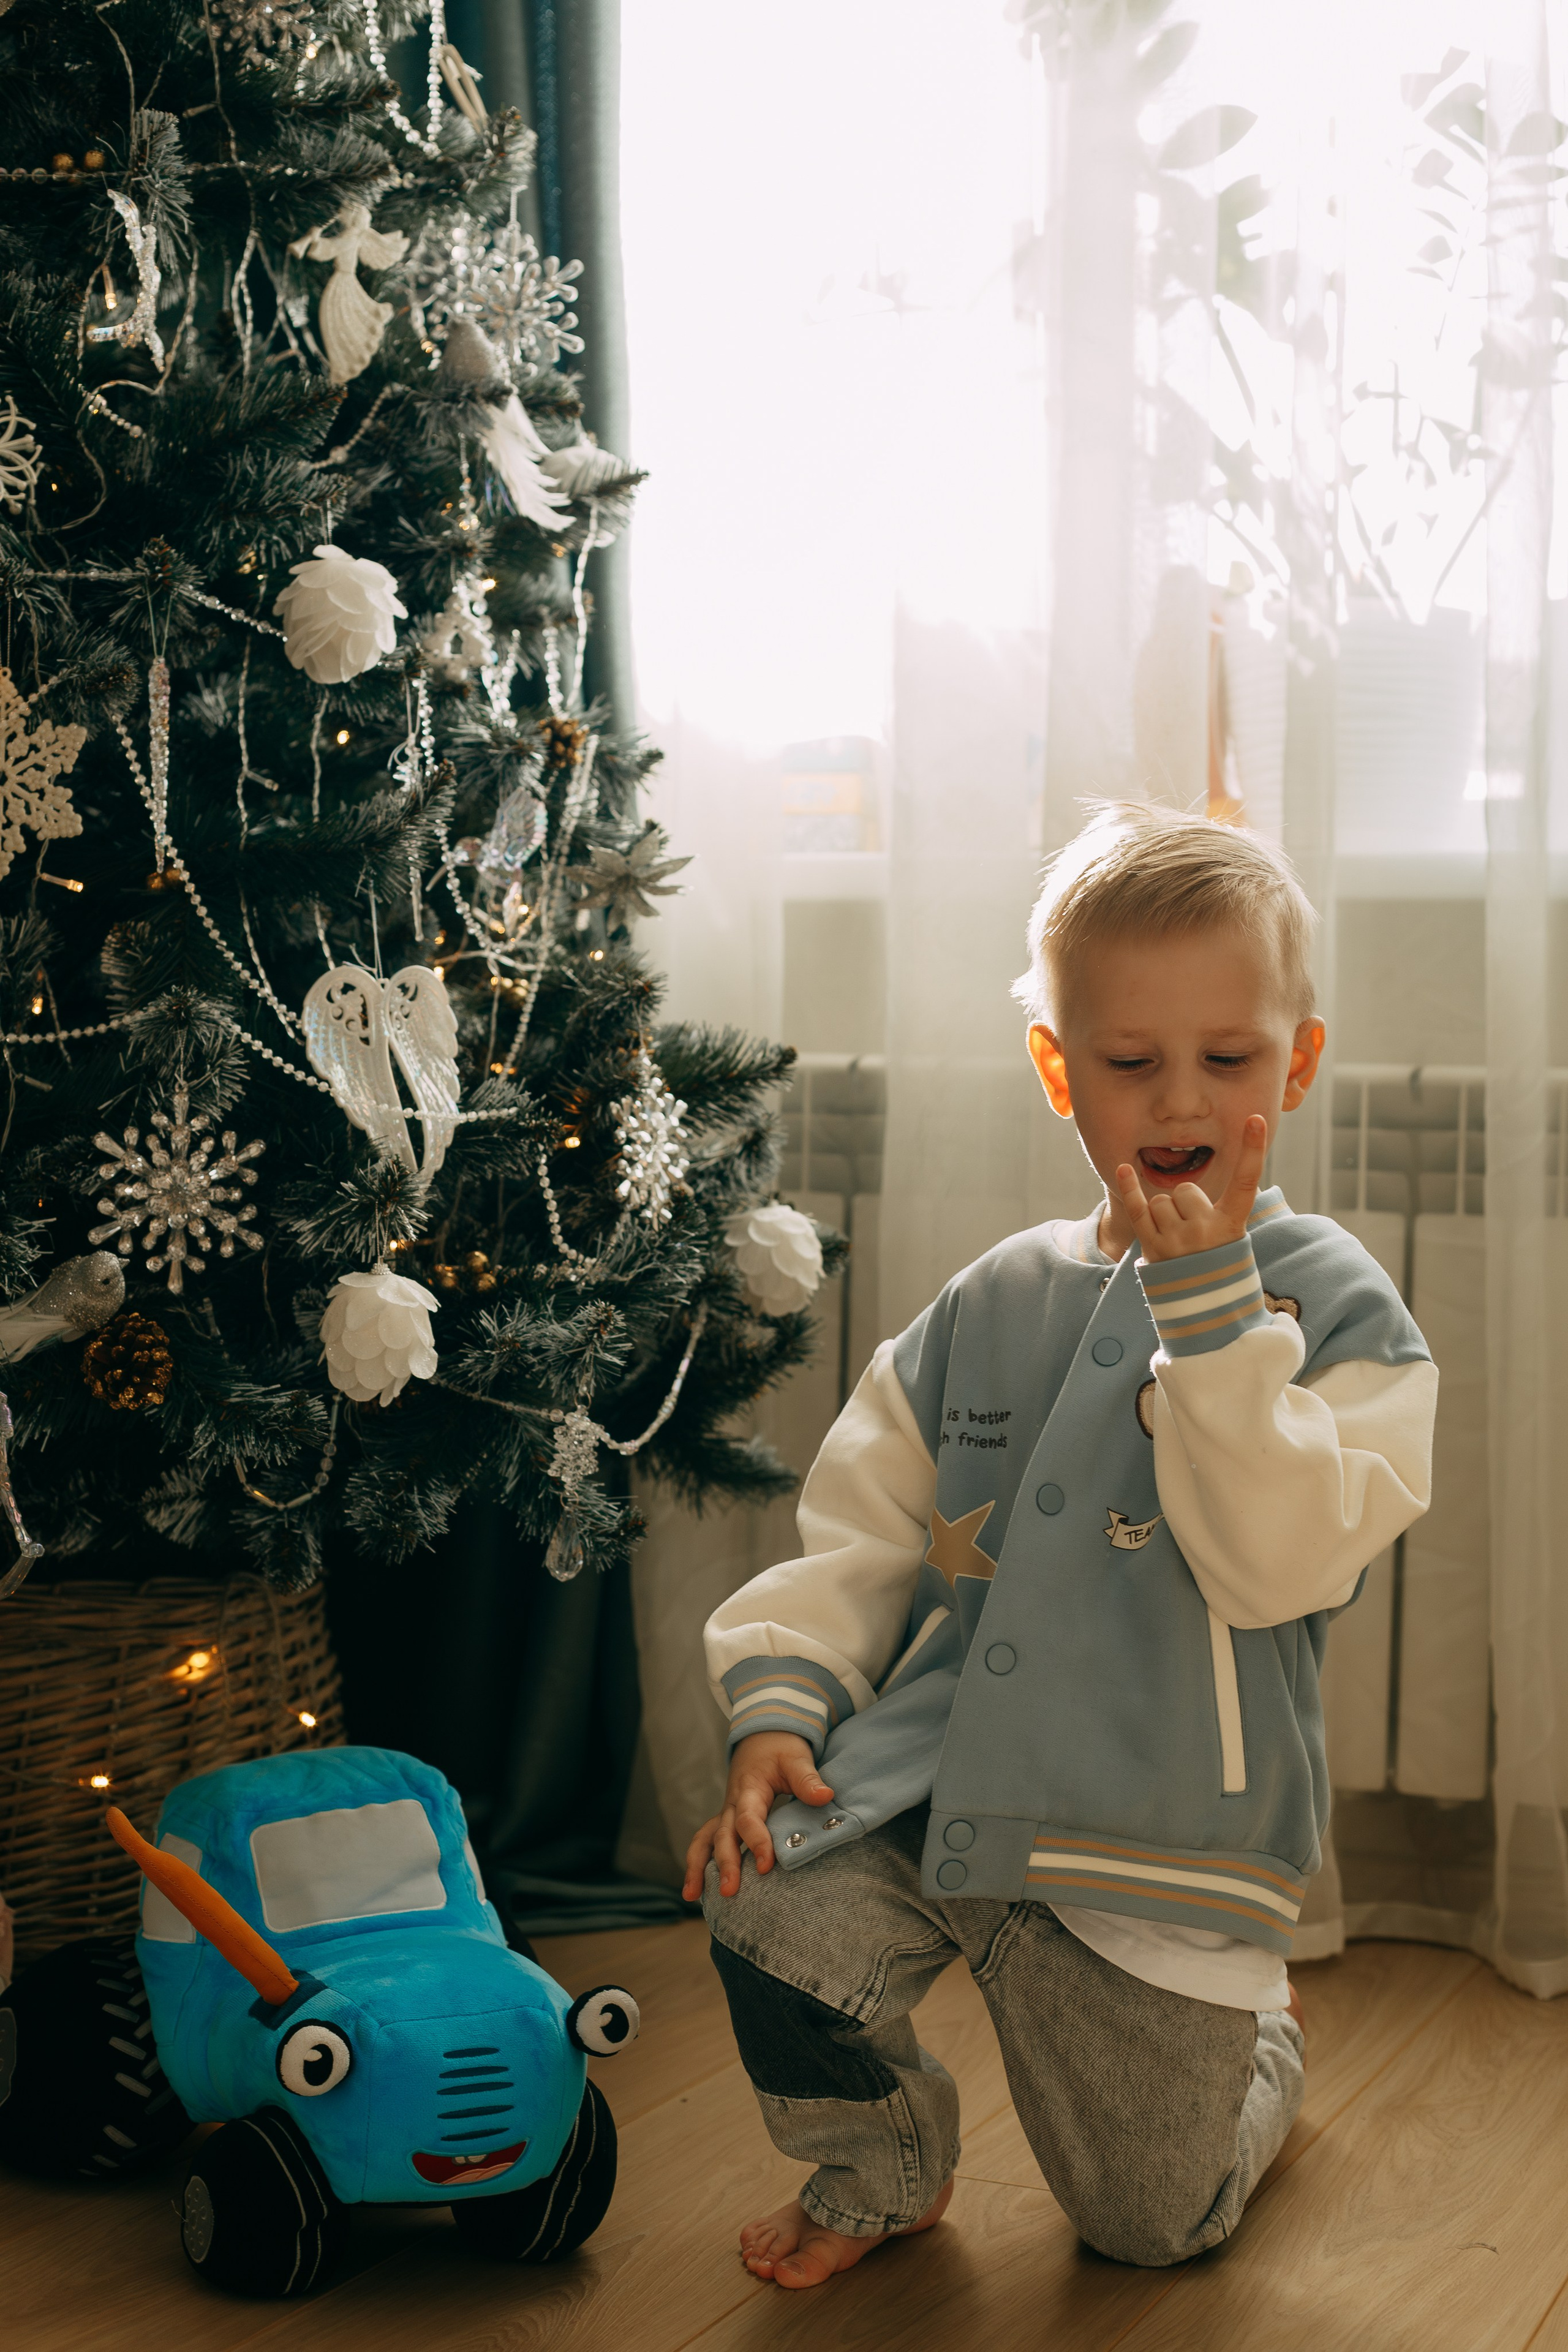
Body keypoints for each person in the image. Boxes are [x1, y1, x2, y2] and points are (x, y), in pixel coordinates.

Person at [683, 802, 1437, 2291]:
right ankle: (883, 2160)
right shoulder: (989, 1301)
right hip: (931, 1779)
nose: (1179, 1097)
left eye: (1227, 1059)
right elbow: (858, 1526)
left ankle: (1254, 2065)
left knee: (1146, 2228)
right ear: (1055, 1070)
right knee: (765, 1912)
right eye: (1127, 1059)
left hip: (1148, 1832)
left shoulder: (1336, 1307)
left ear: (1292, 1062)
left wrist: (1214, 1317)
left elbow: (1284, 1562)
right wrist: (784, 1703)